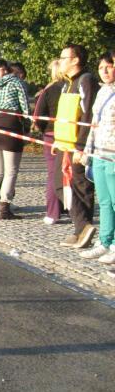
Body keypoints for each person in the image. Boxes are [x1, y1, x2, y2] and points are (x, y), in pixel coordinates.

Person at [54, 43, 98, 248]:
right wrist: (58, 140)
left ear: (75, 60)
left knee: (81, 187)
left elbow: (87, 115)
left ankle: (83, 228)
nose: (60, 61)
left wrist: (81, 146)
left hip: (78, 145)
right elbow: (63, 115)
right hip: (64, 144)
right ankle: (81, 227)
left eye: (64, 58)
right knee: (60, 186)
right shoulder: (66, 84)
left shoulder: (86, 80)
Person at [0, 59, 31, 219]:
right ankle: (4, 208)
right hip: (10, 124)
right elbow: (25, 107)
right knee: (11, 171)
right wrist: (27, 126)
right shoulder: (17, 82)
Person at [78, 51, 115, 265]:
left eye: (109, 66)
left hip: (113, 154)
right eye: (101, 67)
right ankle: (105, 241)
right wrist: (87, 151)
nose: (105, 71)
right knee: (104, 201)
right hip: (99, 153)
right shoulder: (102, 92)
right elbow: (94, 125)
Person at [33, 59, 66, 224]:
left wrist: (44, 129)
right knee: (72, 174)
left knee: (53, 173)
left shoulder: (48, 90)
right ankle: (71, 208)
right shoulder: (74, 87)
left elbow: (37, 116)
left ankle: (53, 212)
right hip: (72, 134)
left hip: (52, 134)